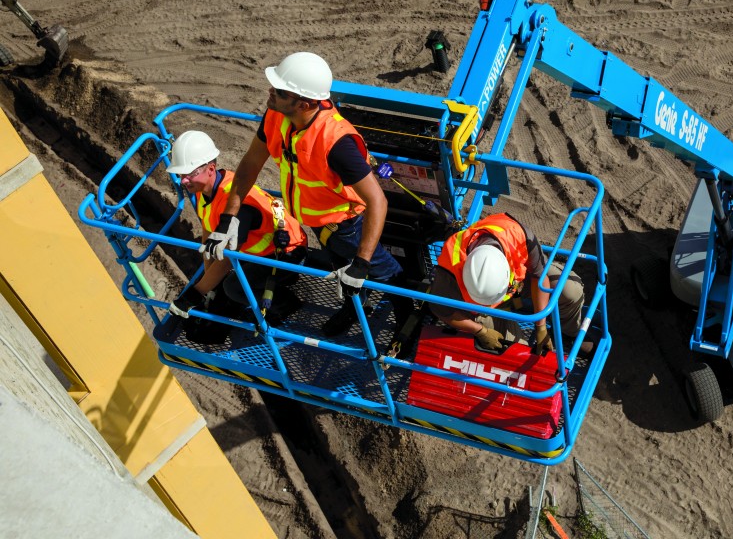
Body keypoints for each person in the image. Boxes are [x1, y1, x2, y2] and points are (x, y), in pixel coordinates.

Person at [201, 51, 404, 336]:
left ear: (305, 103)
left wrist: (361, 263)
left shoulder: (336, 143)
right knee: (339, 268)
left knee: (386, 275)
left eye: (280, 91)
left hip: (349, 227)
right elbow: (249, 165)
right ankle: (354, 307)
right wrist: (227, 220)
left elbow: (377, 201)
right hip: (321, 226)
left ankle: (407, 318)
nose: (270, 92)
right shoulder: (276, 115)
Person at [167, 130, 307, 327]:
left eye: (189, 174)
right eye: (180, 174)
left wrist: (193, 296)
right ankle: (279, 281)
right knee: (222, 284)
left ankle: (287, 304)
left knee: (233, 288)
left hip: (288, 251)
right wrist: (209, 283)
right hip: (263, 251)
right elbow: (209, 235)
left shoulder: (236, 202)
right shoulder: (203, 190)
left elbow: (227, 257)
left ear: (211, 168)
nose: (183, 180)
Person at [429, 212, 587, 355]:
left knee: (570, 290)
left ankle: (569, 333)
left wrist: (541, 326)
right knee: (515, 351)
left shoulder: (519, 235)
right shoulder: (448, 270)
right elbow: (442, 311)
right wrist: (480, 331)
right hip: (484, 311)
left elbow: (540, 278)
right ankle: (511, 320)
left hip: (517, 286)